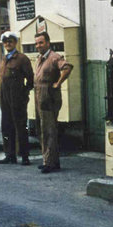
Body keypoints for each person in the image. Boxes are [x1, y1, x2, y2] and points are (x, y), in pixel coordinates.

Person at [33, 32, 73, 174]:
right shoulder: (40, 59)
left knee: (48, 130)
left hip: (49, 97)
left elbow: (67, 68)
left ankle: (49, 163)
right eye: (36, 43)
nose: (38, 46)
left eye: (41, 42)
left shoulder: (54, 57)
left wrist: (58, 83)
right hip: (39, 97)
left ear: (48, 43)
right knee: (42, 129)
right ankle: (51, 161)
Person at [0, 31, 34, 165]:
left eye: (10, 41)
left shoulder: (22, 58)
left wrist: (23, 93)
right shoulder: (4, 59)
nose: (8, 44)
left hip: (17, 97)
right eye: (5, 42)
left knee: (20, 126)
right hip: (4, 97)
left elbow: (30, 79)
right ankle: (9, 155)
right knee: (6, 125)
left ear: (15, 42)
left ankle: (24, 156)